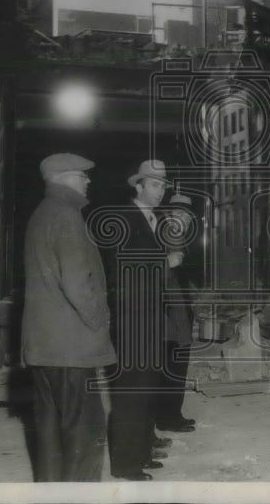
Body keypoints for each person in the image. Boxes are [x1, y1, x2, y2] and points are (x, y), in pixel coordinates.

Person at [21, 153, 115, 482]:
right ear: (62, 179)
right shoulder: (66, 216)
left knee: (50, 436)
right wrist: (100, 319)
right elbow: (77, 283)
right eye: (81, 175)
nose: (88, 181)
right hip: (71, 348)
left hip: (45, 347)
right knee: (84, 435)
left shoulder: (42, 213)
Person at [103, 159, 170, 480]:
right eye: (155, 185)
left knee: (145, 389)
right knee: (130, 392)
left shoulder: (153, 218)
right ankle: (125, 464)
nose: (161, 191)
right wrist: (164, 261)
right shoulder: (126, 218)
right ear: (138, 186)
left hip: (150, 318)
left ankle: (141, 452)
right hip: (133, 320)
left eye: (163, 185)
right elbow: (120, 272)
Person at [154, 193, 198, 434]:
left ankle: (171, 415)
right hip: (167, 314)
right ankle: (167, 417)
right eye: (179, 214)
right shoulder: (165, 235)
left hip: (178, 313)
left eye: (188, 216)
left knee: (175, 365)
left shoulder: (180, 239)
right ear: (168, 215)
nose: (184, 219)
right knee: (170, 366)